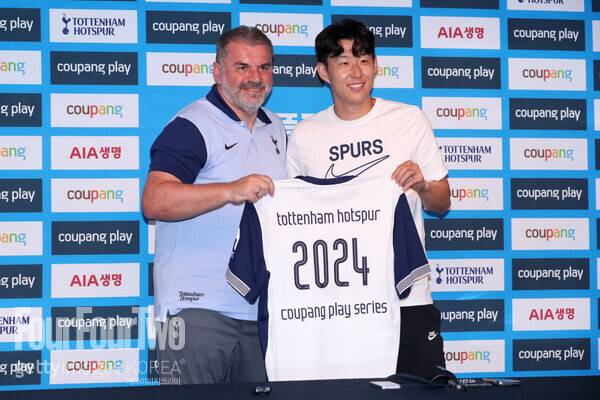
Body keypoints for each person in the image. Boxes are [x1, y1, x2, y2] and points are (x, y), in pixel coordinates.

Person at [286, 19, 451, 379]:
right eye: (344, 61)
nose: (356, 71)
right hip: (338, 305)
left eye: (364, 60)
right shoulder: (304, 136)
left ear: (376, 65)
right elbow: (296, 221)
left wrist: (423, 185)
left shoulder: (409, 120)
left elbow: (442, 203)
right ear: (323, 72)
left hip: (407, 297)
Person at [142, 26, 287, 385]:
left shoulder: (275, 128)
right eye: (242, 67)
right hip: (193, 309)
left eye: (264, 67)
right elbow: (154, 201)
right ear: (218, 71)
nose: (255, 78)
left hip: (259, 311)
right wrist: (230, 191)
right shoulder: (192, 124)